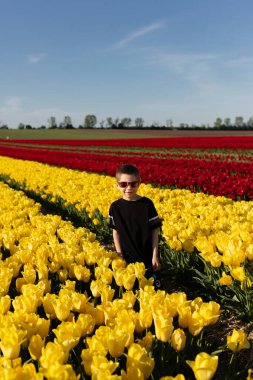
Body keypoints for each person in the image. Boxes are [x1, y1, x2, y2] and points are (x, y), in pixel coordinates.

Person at [108, 164, 162, 284]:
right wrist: (119, 255)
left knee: (150, 289)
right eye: (123, 184)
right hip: (127, 257)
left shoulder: (147, 204)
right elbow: (115, 232)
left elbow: (154, 231)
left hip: (146, 257)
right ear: (117, 185)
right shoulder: (115, 207)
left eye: (133, 184)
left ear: (139, 183)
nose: (129, 188)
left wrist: (155, 256)